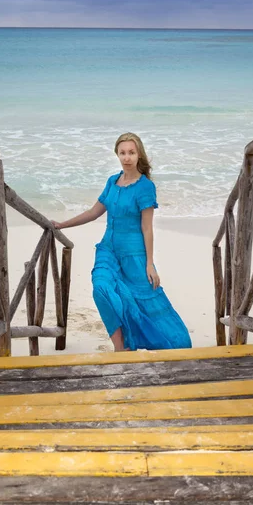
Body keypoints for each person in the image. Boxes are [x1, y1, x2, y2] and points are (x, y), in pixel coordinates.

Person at [52, 132, 192, 352]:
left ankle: (145, 342)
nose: (127, 157)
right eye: (122, 153)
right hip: (108, 250)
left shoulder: (145, 187)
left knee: (173, 336)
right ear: (117, 154)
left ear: (139, 155)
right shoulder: (112, 181)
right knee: (101, 288)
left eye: (131, 153)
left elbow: (147, 228)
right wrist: (62, 225)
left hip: (134, 256)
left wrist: (149, 263)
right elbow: (93, 212)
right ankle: (120, 348)